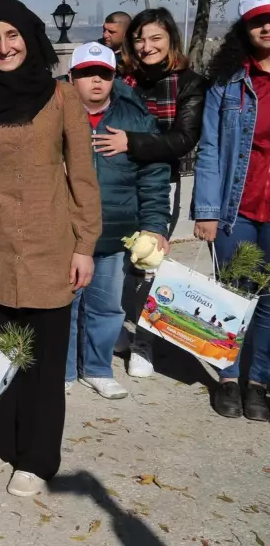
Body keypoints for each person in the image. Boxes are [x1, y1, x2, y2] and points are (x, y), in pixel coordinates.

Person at [0, 0, 101, 498]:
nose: (3, 46)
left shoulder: (60, 98)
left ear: (31, 39)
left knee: (43, 360)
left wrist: (85, 244)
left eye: (12, 36)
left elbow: (82, 174)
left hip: (50, 244)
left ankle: (37, 457)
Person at [96, 7, 204, 377]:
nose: (146, 46)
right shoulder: (122, 78)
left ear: (171, 40)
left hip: (164, 180)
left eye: (155, 38)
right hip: (116, 178)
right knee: (112, 261)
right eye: (140, 38)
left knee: (147, 262)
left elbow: (184, 138)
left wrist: (133, 142)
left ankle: (144, 338)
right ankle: (112, 329)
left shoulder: (189, 83)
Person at [64, 43, 170, 400]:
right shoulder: (54, 116)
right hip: (65, 233)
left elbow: (154, 177)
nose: (96, 81)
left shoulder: (135, 120)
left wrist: (155, 226)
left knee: (107, 305)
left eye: (104, 74)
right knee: (65, 304)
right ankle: (62, 370)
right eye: (86, 73)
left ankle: (96, 368)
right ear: (71, 77)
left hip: (115, 232)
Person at [192, 0, 270, 421]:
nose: (267, 26)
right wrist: (205, 211)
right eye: (259, 19)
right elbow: (211, 150)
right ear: (245, 26)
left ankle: (257, 381)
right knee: (234, 296)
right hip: (236, 208)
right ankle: (227, 376)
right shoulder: (230, 81)